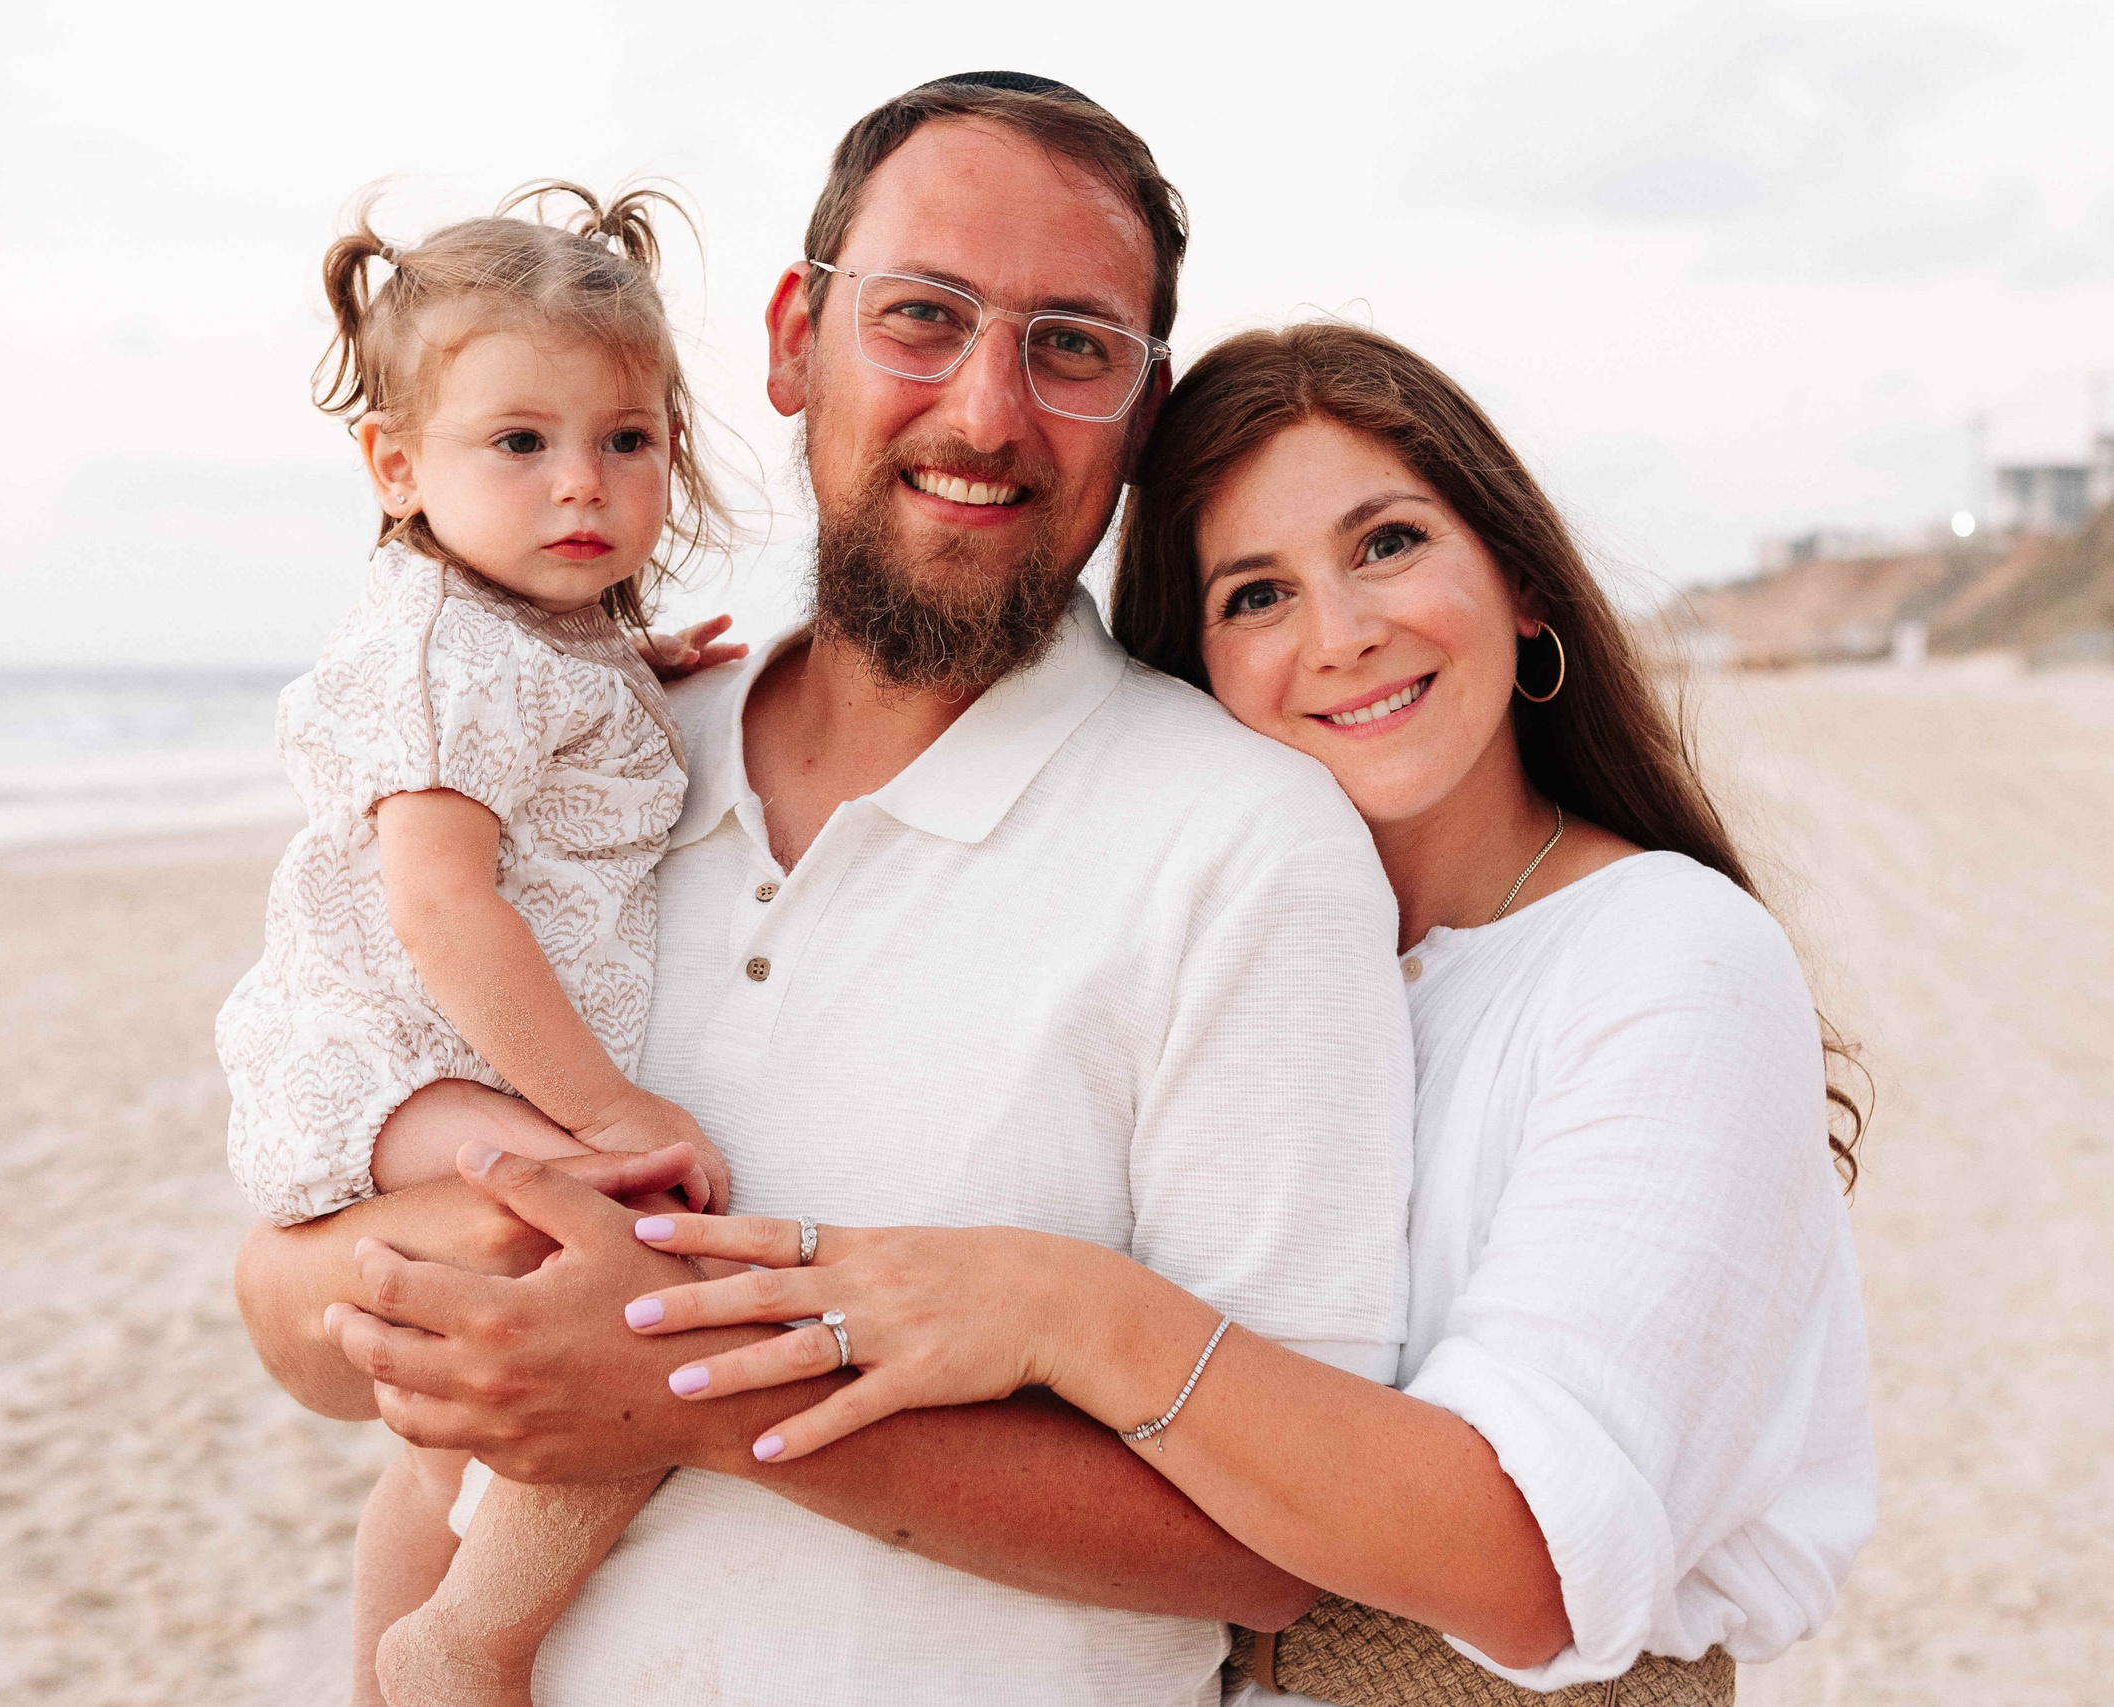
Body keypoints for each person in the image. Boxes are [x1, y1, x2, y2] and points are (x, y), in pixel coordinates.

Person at [236, 75, 1416, 1705]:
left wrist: (679, 1391)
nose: (989, 411)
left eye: (1073, 345)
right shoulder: (601, 768)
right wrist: (448, 1296)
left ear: (1140, 418)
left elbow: (1287, 1534)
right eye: (923, 316)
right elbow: (288, 1310)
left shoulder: (1245, 846)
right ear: (795, 341)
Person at [613, 324, 1878, 1703]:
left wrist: (1065, 1312)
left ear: (1519, 581)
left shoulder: (1666, 959)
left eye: (1388, 545)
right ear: (1195, 665)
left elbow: (1526, 1556)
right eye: (1256, 596)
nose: (1340, 637)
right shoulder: (1224, 940)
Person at [214, 181, 746, 1707]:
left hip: (417, 1049)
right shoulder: (450, 660)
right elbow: (443, 905)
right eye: (518, 443)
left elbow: (528, 726)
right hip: (391, 1056)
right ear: (397, 466)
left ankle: (400, 1670)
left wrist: (634, 666)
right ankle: (473, 1640)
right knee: (614, 1256)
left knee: (443, 1423)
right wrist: (608, 1114)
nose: (581, 483)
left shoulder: (516, 631)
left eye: (625, 440)